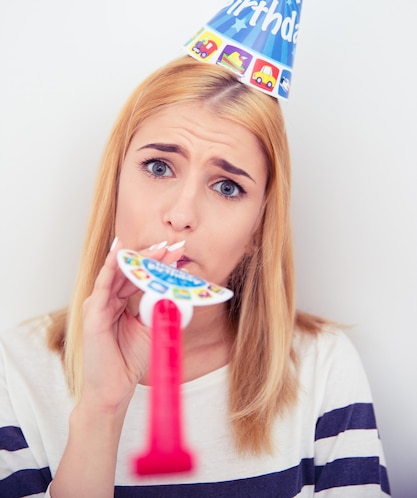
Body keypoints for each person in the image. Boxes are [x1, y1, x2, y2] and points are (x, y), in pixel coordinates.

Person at [0, 56, 390, 497]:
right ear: (115, 184)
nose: (182, 215)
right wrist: (101, 412)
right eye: (159, 167)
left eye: (227, 186)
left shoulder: (321, 367)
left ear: (257, 230)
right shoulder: (14, 373)